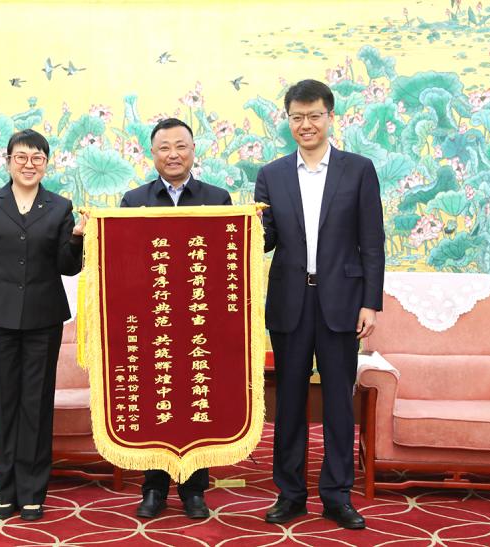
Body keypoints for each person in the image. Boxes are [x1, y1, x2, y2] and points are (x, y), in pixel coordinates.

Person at [254, 79, 385, 530]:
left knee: (337, 404)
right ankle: (290, 494)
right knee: (289, 402)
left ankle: (336, 495)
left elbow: (372, 241)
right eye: (297, 117)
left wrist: (370, 303)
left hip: (342, 302)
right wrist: (244, 228)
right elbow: (265, 241)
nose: (305, 124)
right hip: (290, 301)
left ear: (330, 117)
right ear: (288, 120)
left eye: (314, 116)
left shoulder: (358, 170)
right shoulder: (271, 174)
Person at [0, 129, 88, 522]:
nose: (29, 164)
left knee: (36, 405)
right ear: (8, 161)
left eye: (37, 158)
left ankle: (33, 492)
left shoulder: (60, 206)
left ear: (46, 164)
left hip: (43, 320)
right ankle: (6, 490)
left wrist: (77, 239)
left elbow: (67, 266)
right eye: (21, 157)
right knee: (4, 405)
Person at [120, 117, 231, 519]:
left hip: (201, 322)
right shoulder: (134, 201)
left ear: (193, 151)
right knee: (157, 403)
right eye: (164, 148)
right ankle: (153, 487)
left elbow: (226, 260)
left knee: (197, 402)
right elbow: (124, 260)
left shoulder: (218, 199)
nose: (173, 154)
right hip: (154, 322)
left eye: (180, 146)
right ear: (152, 154)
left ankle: (194, 489)